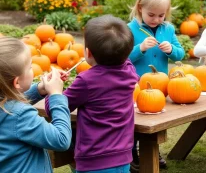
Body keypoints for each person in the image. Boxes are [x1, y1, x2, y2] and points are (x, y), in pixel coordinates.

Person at [46, 15, 139, 173]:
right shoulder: (129, 71)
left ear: (88, 53)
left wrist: (53, 90)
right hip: (123, 158)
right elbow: (125, 60)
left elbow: (57, 107)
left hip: (95, 160)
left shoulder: (86, 81)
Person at [128, 0, 185, 171]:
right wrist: (140, 48)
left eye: (161, 15)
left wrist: (171, 50)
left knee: (157, 122)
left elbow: (180, 53)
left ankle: (154, 151)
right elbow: (123, 57)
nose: (156, 19)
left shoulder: (167, 29)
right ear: (140, 8)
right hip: (135, 84)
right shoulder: (130, 29)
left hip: (161, 85)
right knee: (135, 124)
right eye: (151, 15)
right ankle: (133, 153)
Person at [0, 37, 71, 173]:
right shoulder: (21, 116)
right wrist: (56, 95)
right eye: (30, 67)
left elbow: (10, 103)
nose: (32, 69)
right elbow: (61, 140)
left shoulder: (7, 107)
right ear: (17, 83)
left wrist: (39, 89)